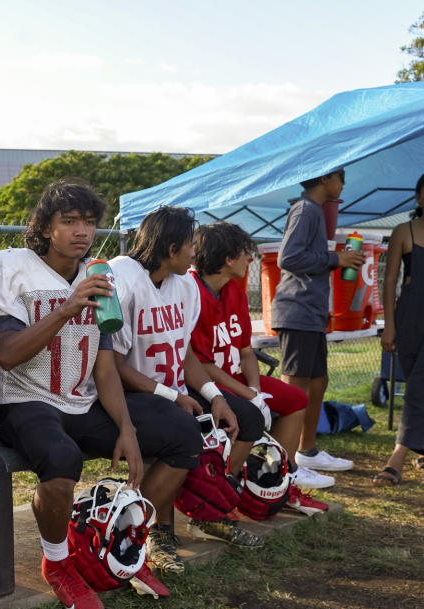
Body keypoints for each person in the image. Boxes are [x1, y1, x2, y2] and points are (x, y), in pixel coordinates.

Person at [0, 180, 202, 609]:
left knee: (183, 435)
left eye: (90, 222)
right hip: (23, 400)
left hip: (80, 401)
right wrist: (64, 307)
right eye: (70, 221)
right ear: (44, 227)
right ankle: (58, 562)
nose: (82, 231)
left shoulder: (99, 275)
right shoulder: (12, 269)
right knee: (62, 459)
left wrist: (127, 429)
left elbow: (103, 366)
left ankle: (118, 539)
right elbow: (7, 356)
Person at [109, 206, 266, 548]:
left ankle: (206, 509)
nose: (195, 253)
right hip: (131, 394)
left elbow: (185, 352)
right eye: (190, 245)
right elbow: (113, 364)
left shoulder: (183, 286)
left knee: (248, 417)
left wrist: (217, 396)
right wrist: (172, 396)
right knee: (182, 430)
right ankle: (150, 529)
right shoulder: (123, 277)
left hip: (173, 391)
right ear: (171, 249)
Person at [189, 222, 331, 515]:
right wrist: (247, 395)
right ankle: (223, 489)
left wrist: (254, 389)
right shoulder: (191, 292)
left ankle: (278, 476)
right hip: (205, 382)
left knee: (296, 399)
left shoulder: (233, 290)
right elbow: (200, 363)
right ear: (228, 259)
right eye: (245, 253)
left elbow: (245, 350)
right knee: (248, 415)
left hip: (234, 377)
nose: (250, 259)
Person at [271, 170, 365, 474]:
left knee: (317, 382)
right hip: (297, 311)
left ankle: (306, 451)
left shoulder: (314, 212)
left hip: (310, 313)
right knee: (295, 388)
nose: (344, 183)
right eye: (341, 176)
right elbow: (288, 258)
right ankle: (281, 462)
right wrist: (336, 260)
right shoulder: (305, 209)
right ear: (324, 178)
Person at [375, 173, 424, 486]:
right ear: (419, 197)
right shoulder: (403, 231)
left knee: (418, 387)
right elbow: (389, 280)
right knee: (417, 380)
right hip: (408, 317)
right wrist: (389, 326)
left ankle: (398, 456)